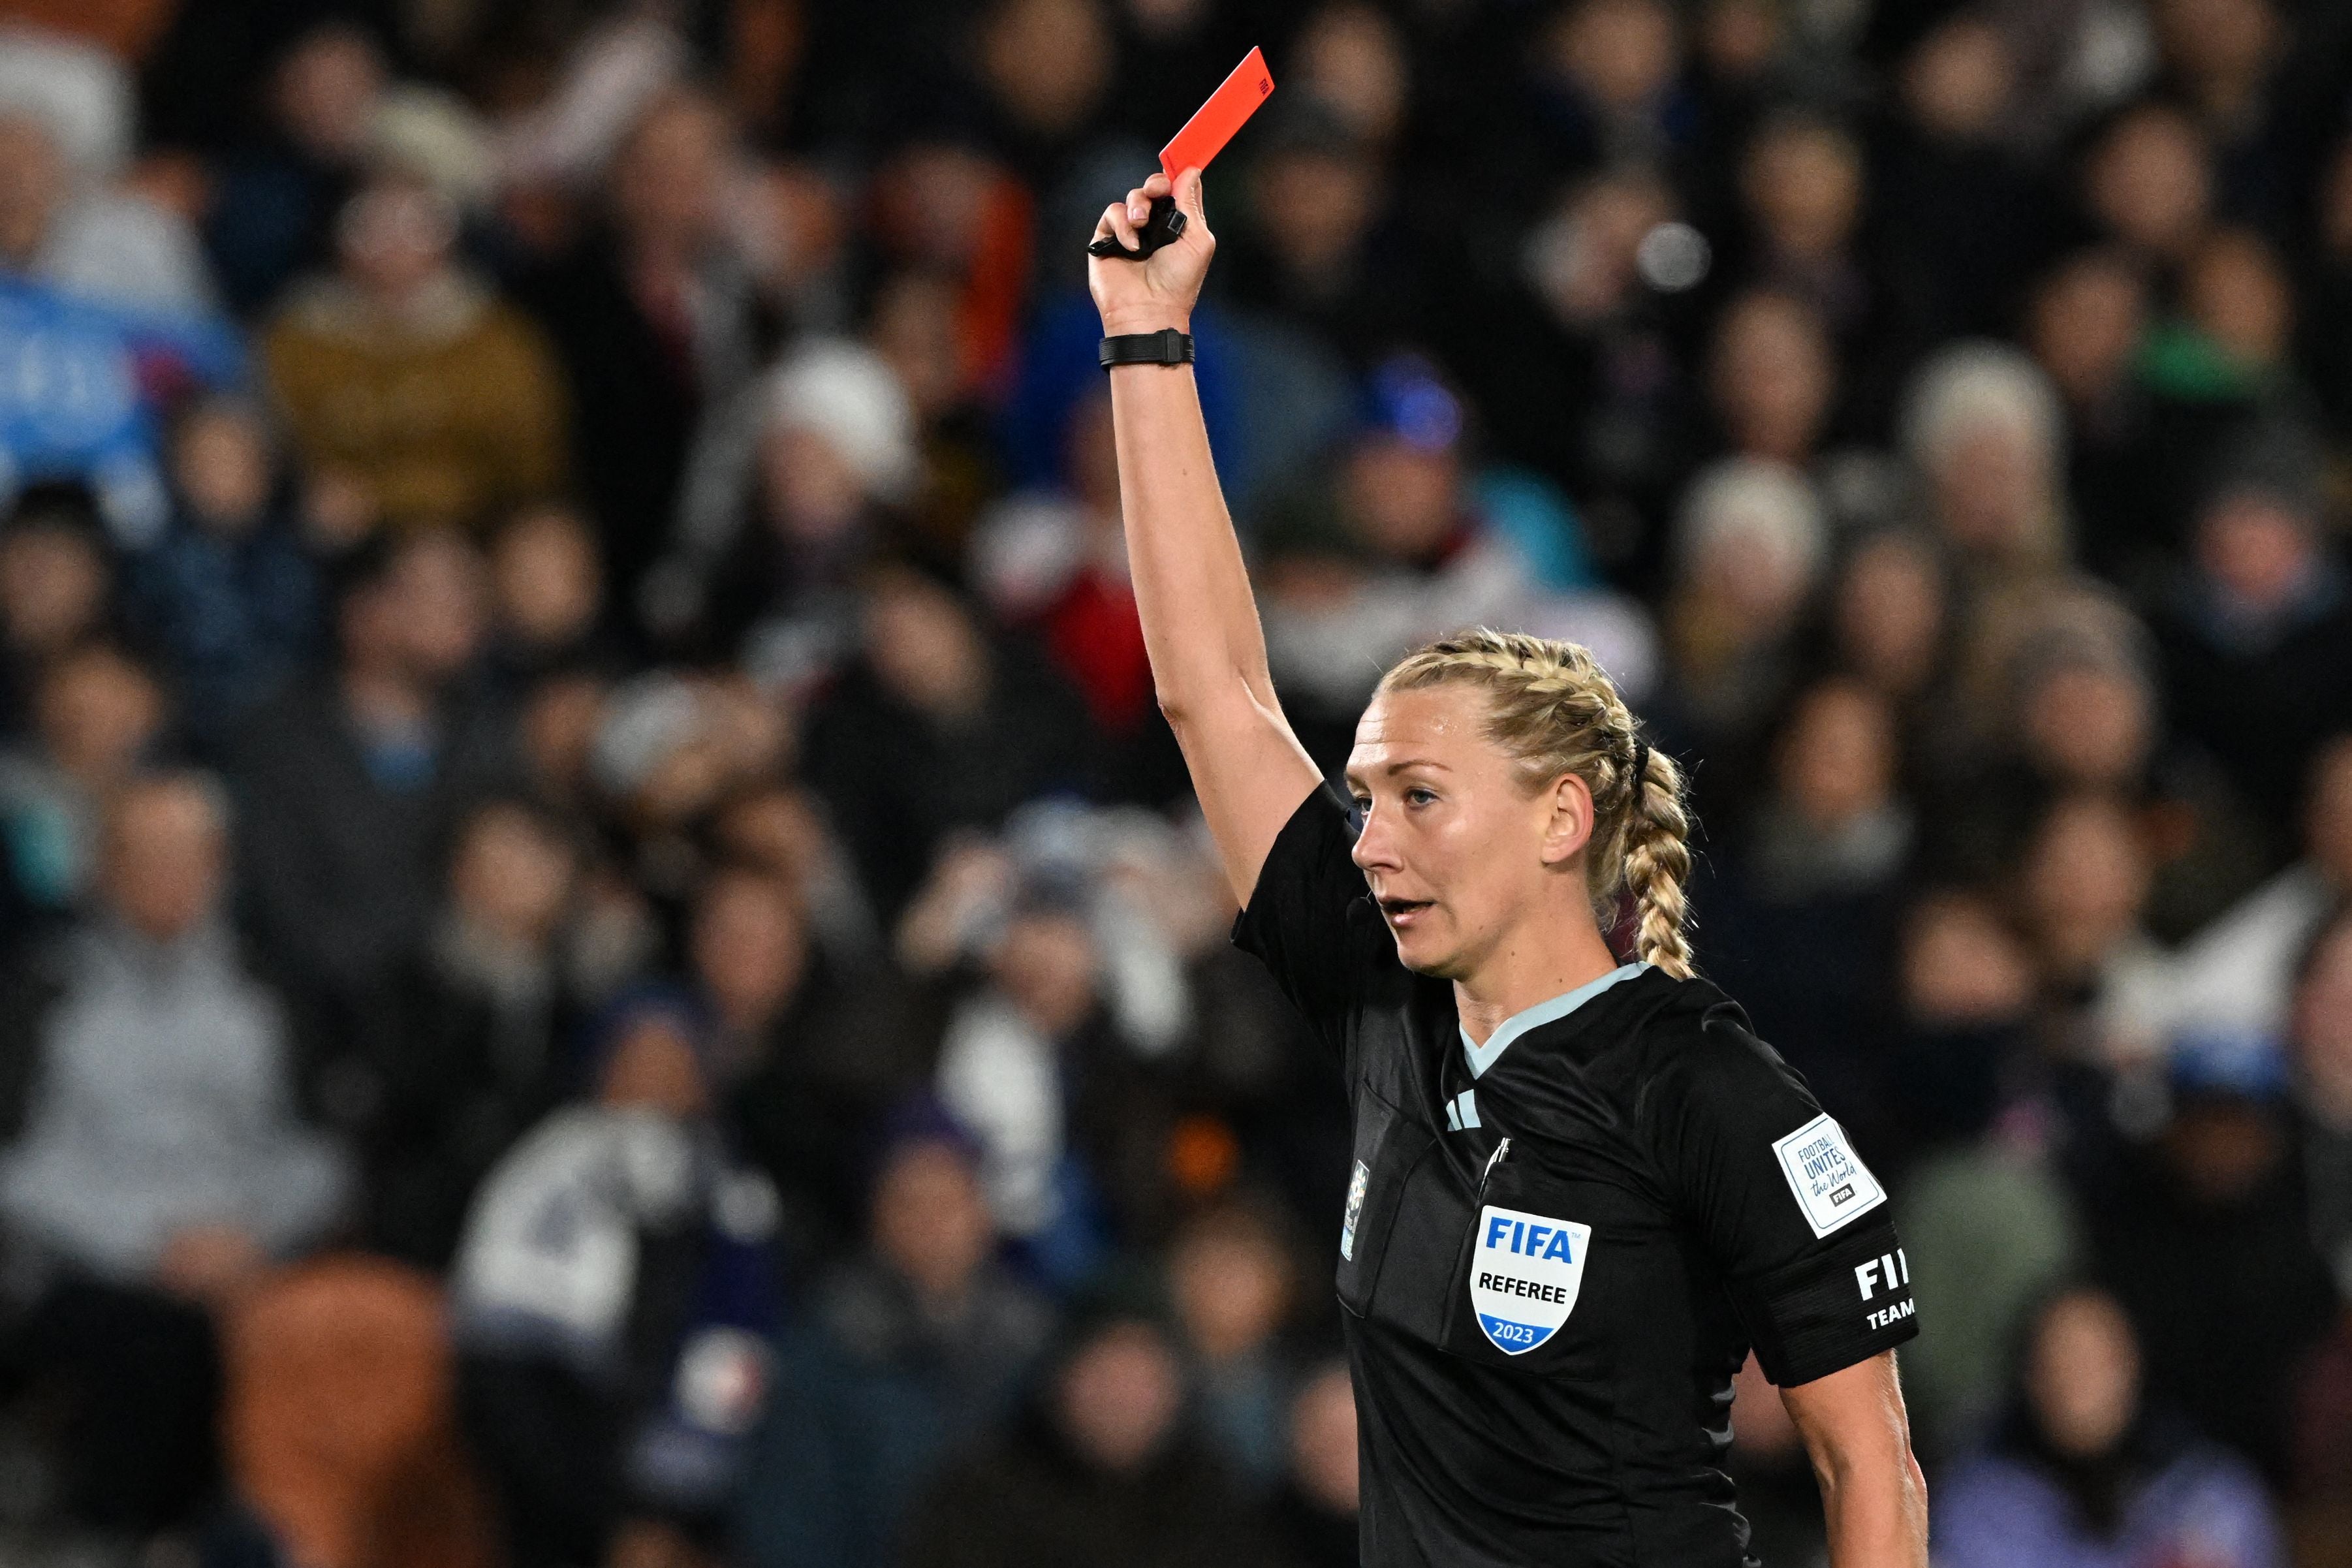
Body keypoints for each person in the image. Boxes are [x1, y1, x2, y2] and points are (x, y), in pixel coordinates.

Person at [1087, 166, 1927, 1565]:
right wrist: (1144, 339)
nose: (1370, 839)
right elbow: (1213, 692)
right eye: (1362, 800)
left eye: (1418, 796)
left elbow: (1869, 1463)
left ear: (1557, 818)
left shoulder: (1701, 1086)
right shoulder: (1380, 996)